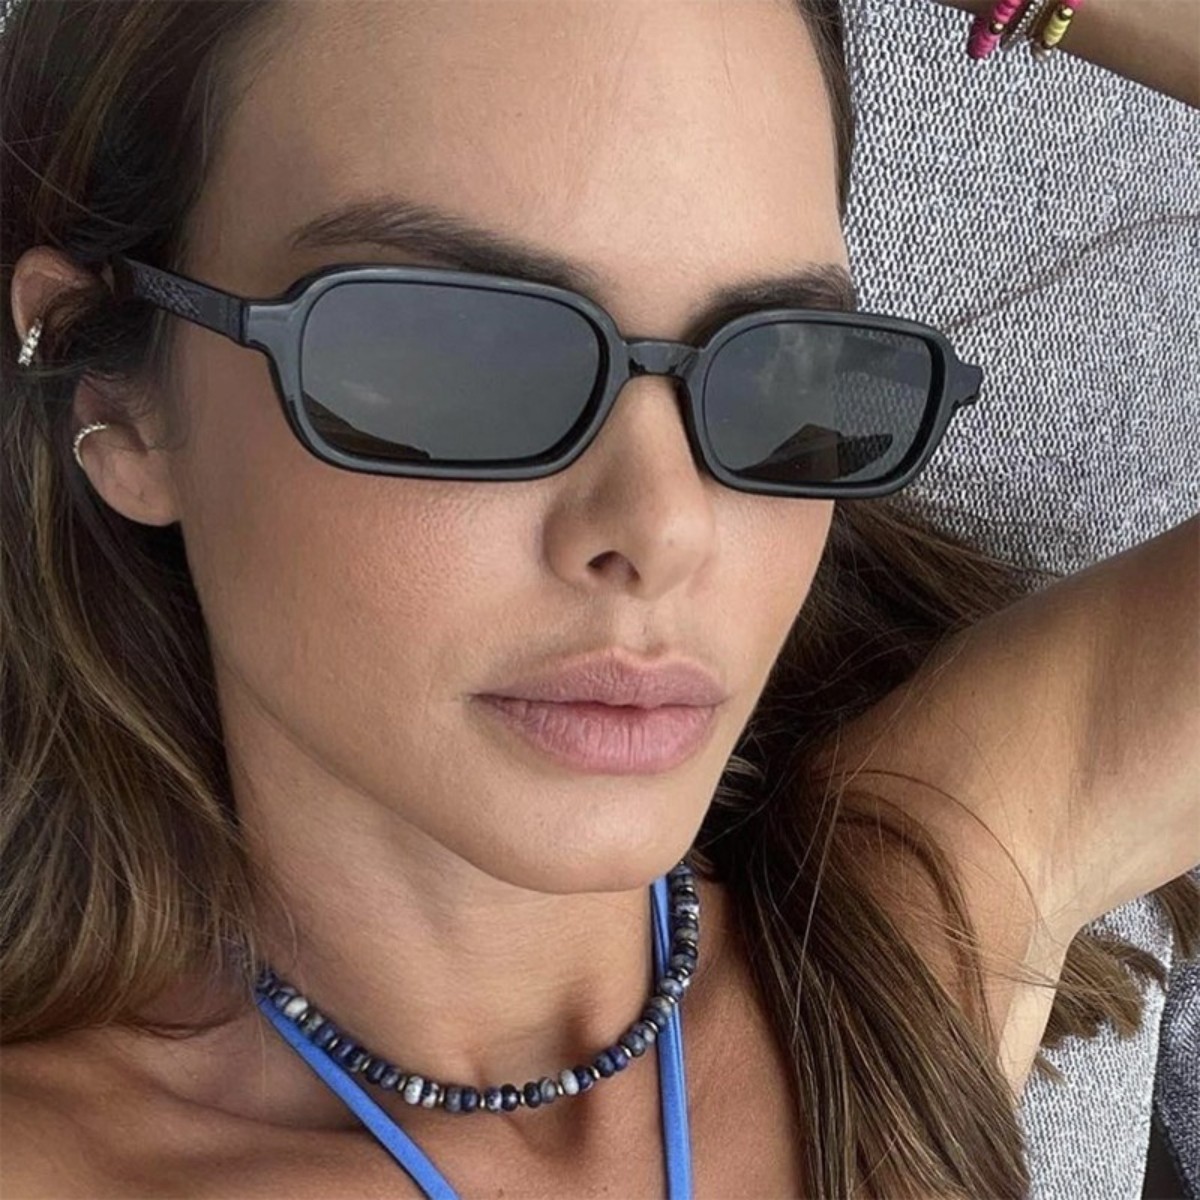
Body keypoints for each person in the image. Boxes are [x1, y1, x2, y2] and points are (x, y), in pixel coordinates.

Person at [0, 1, 1196, 1197]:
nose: (663, 529)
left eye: (778, 363)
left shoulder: (892, 934)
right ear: (117, 396)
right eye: (458, 356)